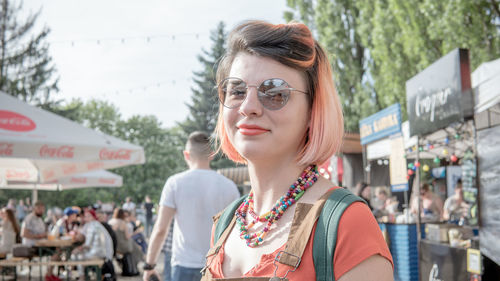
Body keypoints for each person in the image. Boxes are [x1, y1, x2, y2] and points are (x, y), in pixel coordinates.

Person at [198, 21, 393, 281]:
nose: (249, 107)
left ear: (313, 112)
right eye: (237, 90)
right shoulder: (226, 222)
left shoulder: (345, 222)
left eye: (275, 92)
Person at [143, 131, 240, 281]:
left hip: (184, 265)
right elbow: (237, 231)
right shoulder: (229, 186)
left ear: (186, 155)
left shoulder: (175, 183)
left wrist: (149, 265)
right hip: (219, 266)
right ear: (212, 155)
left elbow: (161, 229)